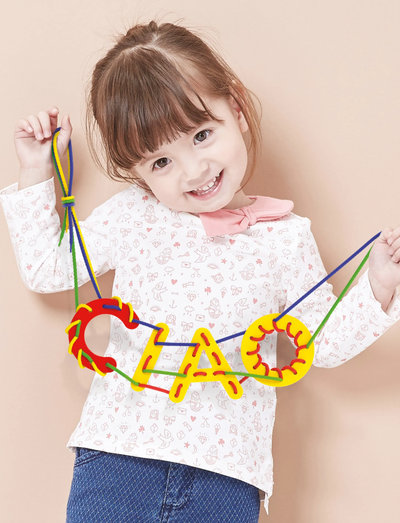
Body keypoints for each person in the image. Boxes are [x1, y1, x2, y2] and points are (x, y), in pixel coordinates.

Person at [1, 20, 400, 522]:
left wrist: (378, 285)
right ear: (136, 173)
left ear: (237, 108)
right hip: (118, 453)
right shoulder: (135, 214)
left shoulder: (286, 238)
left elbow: (320, 342)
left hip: (227, 474)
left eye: (202, 135)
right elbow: (49, 268)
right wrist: (37, 171)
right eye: (160, 163)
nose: (193, 171)